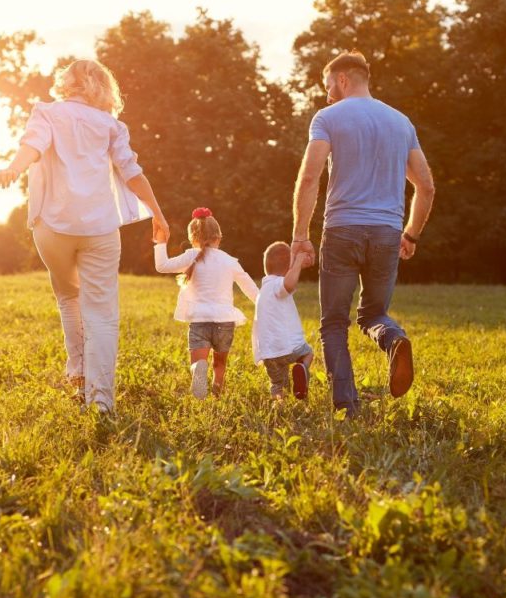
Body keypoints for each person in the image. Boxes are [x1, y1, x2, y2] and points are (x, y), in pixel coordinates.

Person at [0, 59, 169, 414]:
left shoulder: (47, 112)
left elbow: (33, 145)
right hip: (100, 228)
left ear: (66, 83)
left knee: (68, 296)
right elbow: (131, 172)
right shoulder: (111, 125)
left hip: (53, 226)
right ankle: (101, 400)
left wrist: (14, 168)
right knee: (102, 313)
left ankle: (78, 374)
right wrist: (158, 213)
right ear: (103, 88)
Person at [290, 51, 436, 416]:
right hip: (387, 232)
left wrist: (300, 235)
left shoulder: (328, 117)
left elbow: (310, 177)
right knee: (374, 314)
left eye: (327, 87)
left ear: (342, 80)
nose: (325, 96)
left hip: (342, 230)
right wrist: (412, 234)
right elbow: (427, 187)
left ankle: (347, 406)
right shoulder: (402, 122)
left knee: (334, 323)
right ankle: (394, 340)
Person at [153, 208, 259, 399]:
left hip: (200, 319)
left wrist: (160, 242)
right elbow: (250, 289)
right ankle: (217, 391)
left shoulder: (189, 257)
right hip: (224, 321)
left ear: (192, 237)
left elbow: (162, 266)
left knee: (198, 362)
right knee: (220, 364)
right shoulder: (229, 261)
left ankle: (198, 372)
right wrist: (265, 305)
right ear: (218, 236)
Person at [253, 242, 315, 400]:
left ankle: (278, 406)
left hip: (268, 354)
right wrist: (299, 262)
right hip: (289, 348)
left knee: (277, 385)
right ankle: (302, 368)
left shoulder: (263, 291)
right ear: (289, 268)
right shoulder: (276, 284)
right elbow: (289, 283)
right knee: (308, 353)